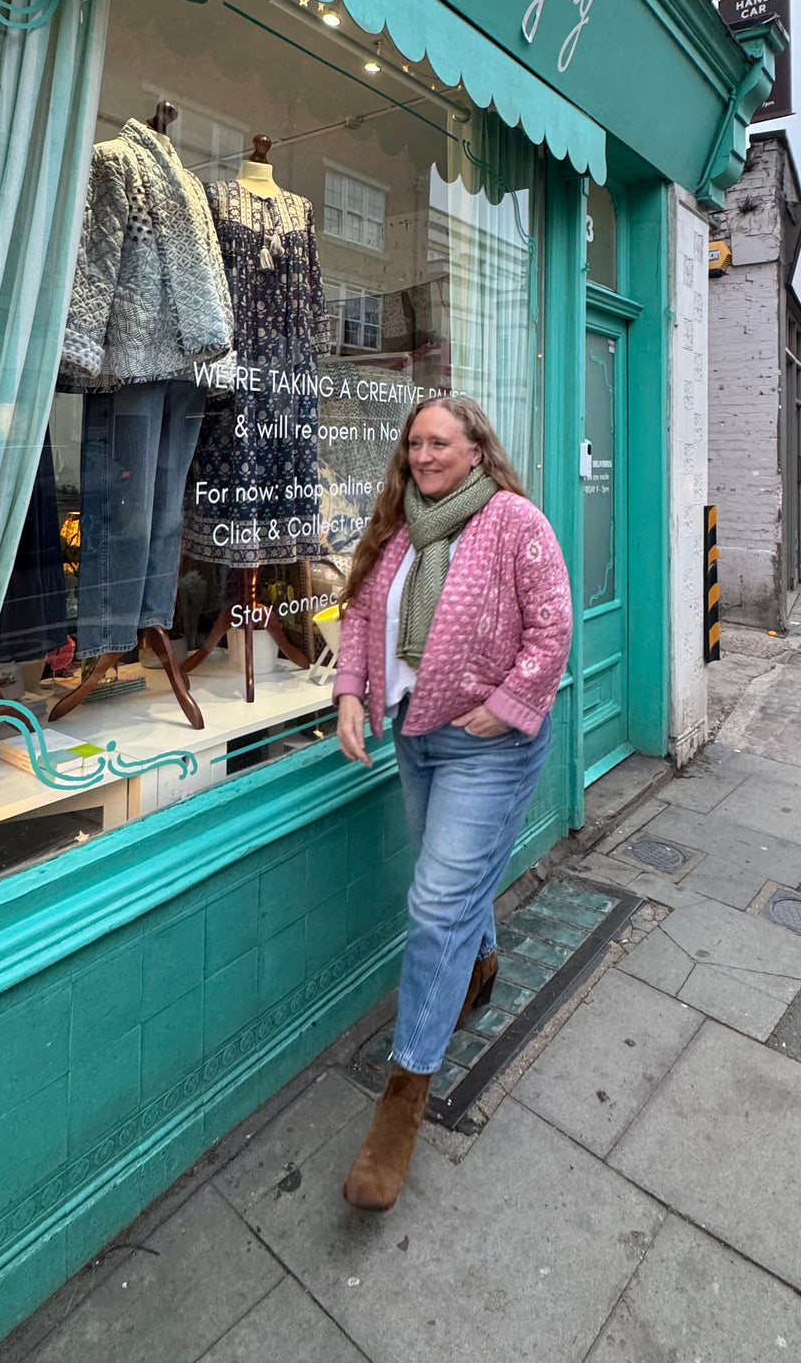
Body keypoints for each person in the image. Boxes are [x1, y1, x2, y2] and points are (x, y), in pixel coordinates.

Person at [334, 395, 573, 1210]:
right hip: (416, 737)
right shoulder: (398, 526)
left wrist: (508, 703)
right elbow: (362, 612)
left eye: (439, 441)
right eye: (413, 443)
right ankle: (481, 964)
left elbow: (553, 626)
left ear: (476, 449)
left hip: (489, 745)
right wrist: (349, 695)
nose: (422, 454)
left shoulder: (514, 522)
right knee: (453, 888)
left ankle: (403, 1100)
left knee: (436, 903)